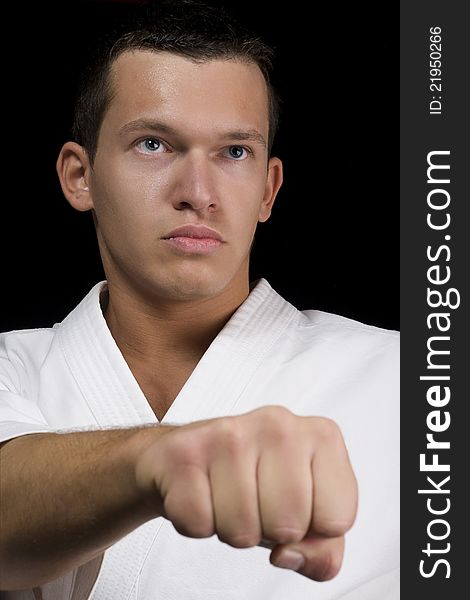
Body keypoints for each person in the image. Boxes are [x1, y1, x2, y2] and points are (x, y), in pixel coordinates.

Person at [0, 1, 399, 598]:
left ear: (269, 190)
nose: (199, 194)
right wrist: (161, 461)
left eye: (234, 152)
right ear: (79, 176)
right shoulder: (11, 366)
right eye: (155, 144)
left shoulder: (410, 379)